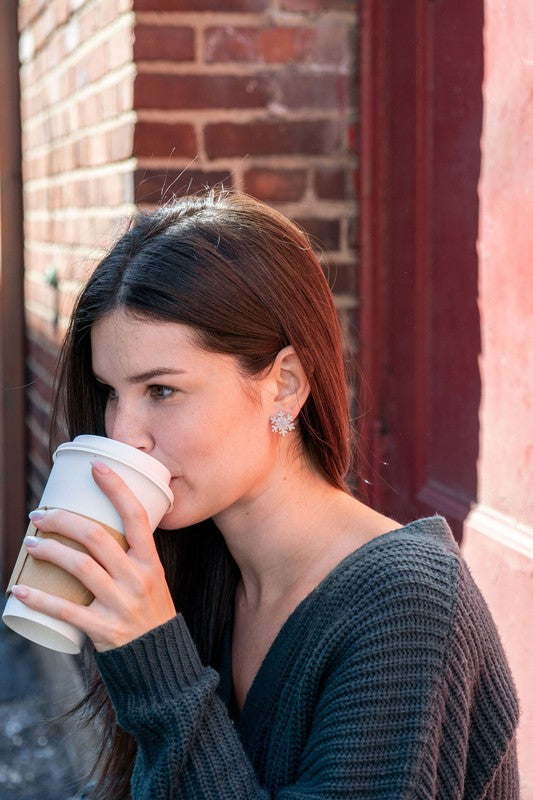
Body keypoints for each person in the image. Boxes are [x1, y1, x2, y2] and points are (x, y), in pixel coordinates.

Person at [11, 191, 519, 799]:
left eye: (162, 391)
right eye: (111, 392)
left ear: (285, 386)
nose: (122, 434)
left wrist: (155, 666)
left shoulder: (406, 605)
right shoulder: (203, 567)